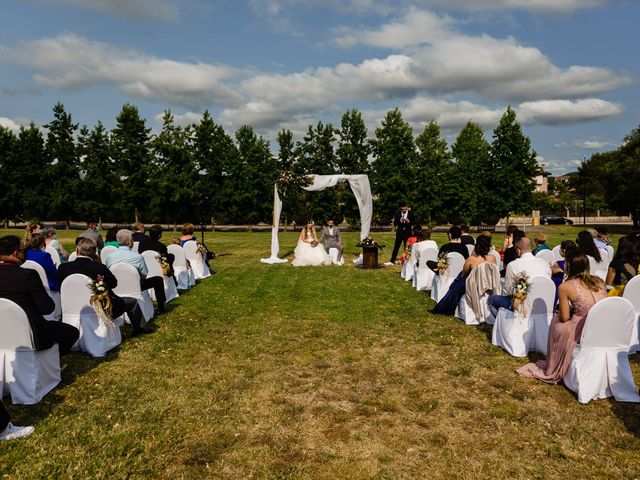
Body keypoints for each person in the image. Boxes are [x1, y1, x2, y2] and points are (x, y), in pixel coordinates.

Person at [516, 253, 606, 383]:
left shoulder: (566, 286)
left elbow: (564, 317)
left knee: (556, 321)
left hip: (581, 329)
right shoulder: (599, 282)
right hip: (599, 326)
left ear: (568, 267)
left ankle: (556, 360)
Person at [0, 235, 79, 356]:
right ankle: (47, 362)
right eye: (23, 251)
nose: (25, 254)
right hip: (28, 333)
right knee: (72, 333)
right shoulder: (27, 275)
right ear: (16, 253)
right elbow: (46, 308)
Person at [58, 238, 152, 335]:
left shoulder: (63, 268)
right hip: (99, 308)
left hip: (70, 308)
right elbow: (113, 283)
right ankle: (139, 329)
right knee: (132, 302)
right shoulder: (99, 267)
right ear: (95, 253)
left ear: (77, 251)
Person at [488, 236, 552, 319]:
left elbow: (508, 290)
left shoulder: (513, 265)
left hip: (522, 305)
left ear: (518, 250)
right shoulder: (545, 263)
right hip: (544, 303)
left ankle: (503, 324)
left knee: (492, 300)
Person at [105, 230, 166, 314]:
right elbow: (144, 274)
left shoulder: (110, 257)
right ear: (130, 241)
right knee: (158, 280)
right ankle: (161, 308)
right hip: (135, 286)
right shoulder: (138, 257)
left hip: (116, 286)